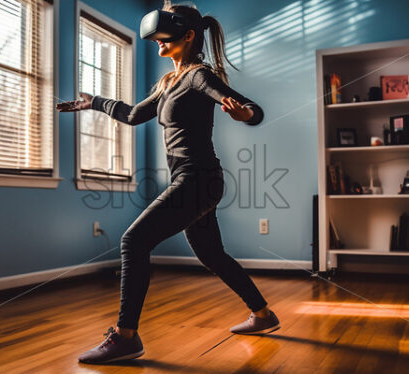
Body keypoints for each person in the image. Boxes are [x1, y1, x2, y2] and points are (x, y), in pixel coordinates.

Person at [57, 1, 279, 364]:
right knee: (213, 255)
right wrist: (93, 102)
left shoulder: (198, 75)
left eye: (164, 37)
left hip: (198, 178)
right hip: (195, 180)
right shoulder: (169, 83)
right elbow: (131, 115)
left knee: (133, 241)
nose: (157, 44)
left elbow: (251, 109)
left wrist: (245, 114)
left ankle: (125, 336)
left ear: (188, 35)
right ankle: (264, 315)